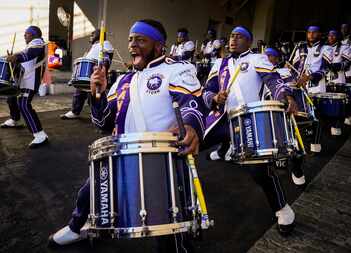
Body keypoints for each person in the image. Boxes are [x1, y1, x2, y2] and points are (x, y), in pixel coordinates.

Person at [48, 19, 205, 252]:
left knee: (168, 228)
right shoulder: (123, 80)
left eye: (141, 40)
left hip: (161, 159)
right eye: (131, 40)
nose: (133, 45)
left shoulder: (177, 69)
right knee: (88, 192)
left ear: (159, 46)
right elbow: (102, 122)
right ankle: (76, 227)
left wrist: (191, 126)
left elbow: (191, 104)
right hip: (121, 154)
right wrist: (98, 94)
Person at [202, 25, 297, 234]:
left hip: (248, 121)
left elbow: (273, 80)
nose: (233, 39)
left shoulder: (257, 59)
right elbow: (207, 91)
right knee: (189, 145)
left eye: (239, 36)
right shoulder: (219, 63)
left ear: (249, 41)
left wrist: (286, 96)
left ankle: (283, 210)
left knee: (260, 172)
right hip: (221, 119)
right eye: (231, 36)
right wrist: (215, 98)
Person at [0, 26, 49, 148]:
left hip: (30, 82)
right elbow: (25, 57)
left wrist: (16, 57)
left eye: (26, 34)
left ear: (33, 34)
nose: (24, 36)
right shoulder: (31, 44)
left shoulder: (38, 42)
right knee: (11, 98)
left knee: (24, 104)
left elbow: (30, 54)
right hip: (24, 80)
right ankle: (15, 119)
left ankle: (40, 135)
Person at [290, 25, 333, 153]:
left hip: (316, 87)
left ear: (320, 34)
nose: (311, 35)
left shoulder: (326, 48)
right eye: (309, 32)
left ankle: (315, 143)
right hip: (300, 88)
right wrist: (295, 79)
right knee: (300, 115)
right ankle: (299, 142)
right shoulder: (300, 48)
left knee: (316, 116)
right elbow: (294, 66)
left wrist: (310, 77)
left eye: (314, 32)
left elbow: (326, 68)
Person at [60, 29, 114, 119]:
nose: (91, 35)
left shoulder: (105, 44)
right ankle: (75, 112)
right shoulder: (95, 46)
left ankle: (99, 116)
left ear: (100, 35)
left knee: (95, 96)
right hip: (87, 74)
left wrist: (104, 69)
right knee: (80, 92)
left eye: (93, 34)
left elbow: (106, 58)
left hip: (96, 73)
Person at [326, 30, 351, 135]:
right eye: (329, 35)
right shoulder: (323, 48)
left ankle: (336, 124)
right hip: (325, 80)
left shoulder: (344, 48)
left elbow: (348, 62)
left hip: (339, 80)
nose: (331, 37)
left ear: (338, 37)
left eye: (333, 35)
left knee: (338, 105)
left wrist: (338, 66)